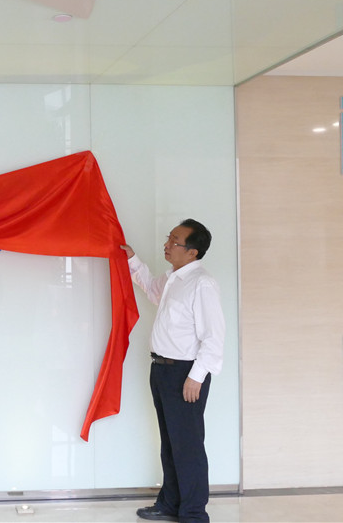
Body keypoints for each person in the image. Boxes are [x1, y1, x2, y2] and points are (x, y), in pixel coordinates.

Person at [122, 219, 225, 523]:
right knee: (170, 443)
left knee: (187, 446)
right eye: (169, 238)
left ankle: (193, 514)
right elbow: (151, 289)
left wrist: (196, 377)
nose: (167, 245)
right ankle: (170, 504)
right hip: (162, 370)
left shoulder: (202, 284)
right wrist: (131, 258)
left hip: (185, 375)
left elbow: (214, 337)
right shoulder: (173, 279)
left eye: (175, 241)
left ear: (192, 252)